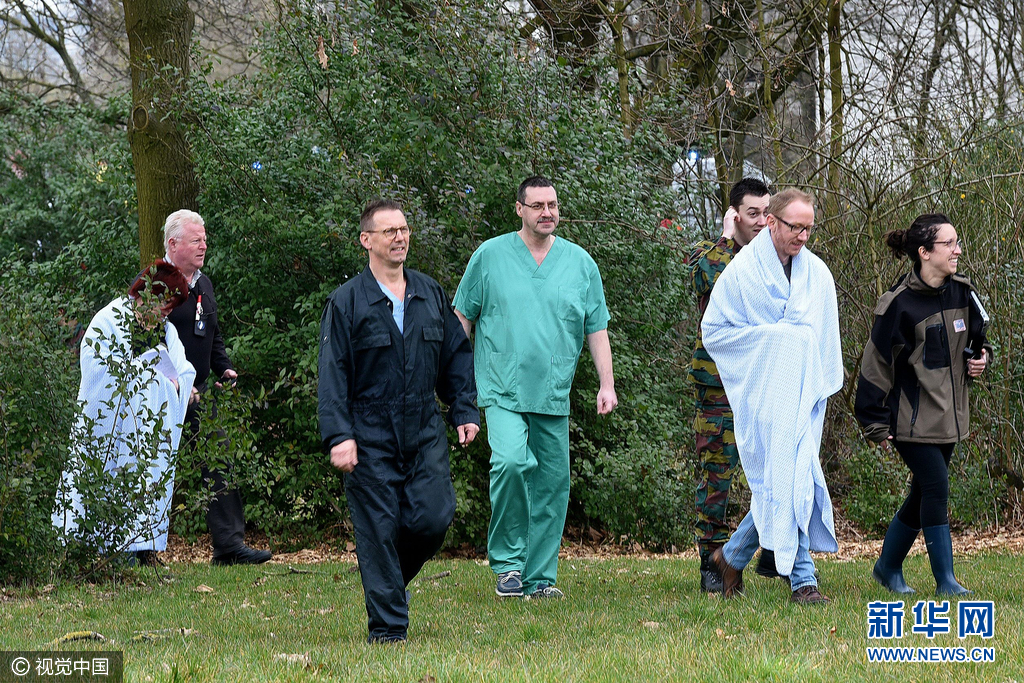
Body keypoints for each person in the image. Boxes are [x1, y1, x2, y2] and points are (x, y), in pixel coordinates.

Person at [318, 199, 479, 643]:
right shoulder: (347, 302)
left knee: (435, 516)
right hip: (368, 432)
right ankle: (389, 629)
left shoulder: (430, 293)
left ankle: (387, 583)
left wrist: (464, 408)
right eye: (389, 231)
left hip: (423, 428)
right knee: (377, 529)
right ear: (366, 240)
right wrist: (339, 435)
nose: (400, 237)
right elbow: (333, 374)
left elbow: (455, 356)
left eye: (404, 229)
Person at [453, 176, 618, 599]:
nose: (548, 212)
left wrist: (607, 383)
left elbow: (596, 328)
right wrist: (455, 385)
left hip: (552, 391)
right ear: (519, 209)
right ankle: (508, 565)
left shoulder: (580, 263)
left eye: (553, 205)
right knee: (510, 463)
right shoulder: (490, 257)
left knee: (551, 484)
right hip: (502, 386)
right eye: (538, 205)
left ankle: (540, 577)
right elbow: (461, 320)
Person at [701, 188, 843, 605]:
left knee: (790, 477)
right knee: (785, 476)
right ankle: (803, 581)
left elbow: (823, 339)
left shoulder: (817, 275)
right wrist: (778, 341)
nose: (803, 236)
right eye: (795, 227)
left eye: (809, 228)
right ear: (771, 222)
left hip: (803, 394)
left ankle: (730, 557)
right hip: (763, 393)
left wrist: (800, 354)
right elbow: (716, 332)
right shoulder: (743, 272)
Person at [855, 214, 990, 596]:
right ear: (924, 252)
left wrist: (982, 359)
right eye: (949, 244)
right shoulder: (898, 304)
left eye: (957, 242)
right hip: (909, 421)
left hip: (950, 417)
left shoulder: (963, 292)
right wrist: (874, 422)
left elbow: (978, 342)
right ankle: (946, 580)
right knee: (935, 486)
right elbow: (875, 366)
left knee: (922, 494)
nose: (957, 250)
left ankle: (887, 567)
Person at [53, 261, 196, 565]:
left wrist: (175, 385)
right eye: (167, 304)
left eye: (172, 308)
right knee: (107, 479)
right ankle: (98, 553)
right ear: (149, 294)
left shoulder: (166, 330)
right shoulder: (110, 320)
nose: (168, 313)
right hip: (110, 426)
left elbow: (184, 371)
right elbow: (99, 371)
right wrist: (157, 378)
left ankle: (142, 550)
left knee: (145, 480)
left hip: (147, 429)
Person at [689, 178, 782, 593]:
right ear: (734, 215)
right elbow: (706, 280)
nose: (761, 221)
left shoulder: (778, 258)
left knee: (776, 470)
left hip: (765, 381)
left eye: (767, 213)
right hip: (720, 385)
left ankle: (771, 552)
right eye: (752, 214)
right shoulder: (709, 254)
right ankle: (712, 562)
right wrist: (727, 240)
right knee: (718, 476)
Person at [163, 209, 270, 566]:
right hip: (161, 393)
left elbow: (212, 331)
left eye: (204, 240)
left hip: (200, 390)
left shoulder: (202, 283)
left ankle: (229, 548)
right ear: (173, 244)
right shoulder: (156, 283)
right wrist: (175, 380)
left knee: (219, 459)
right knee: (154, 467)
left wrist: (223, 367)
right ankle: (138, 550)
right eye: (196, 240)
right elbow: (143, 342)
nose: (203, 246)